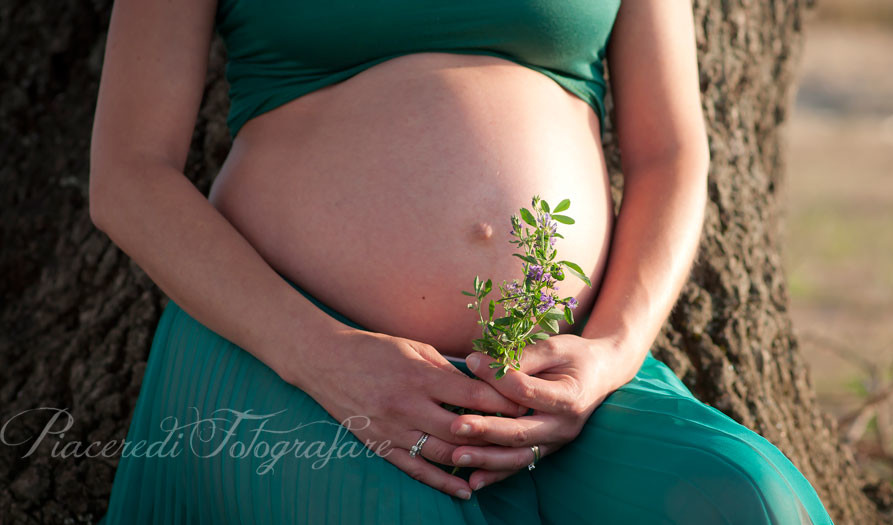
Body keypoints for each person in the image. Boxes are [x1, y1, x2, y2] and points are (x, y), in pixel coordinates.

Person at [89, 0, 834, 523]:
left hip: (553, 390)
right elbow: (127, 174)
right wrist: (321, 355)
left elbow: (670, 155)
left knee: (745, 498)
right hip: (289, 358)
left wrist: (607, 355)